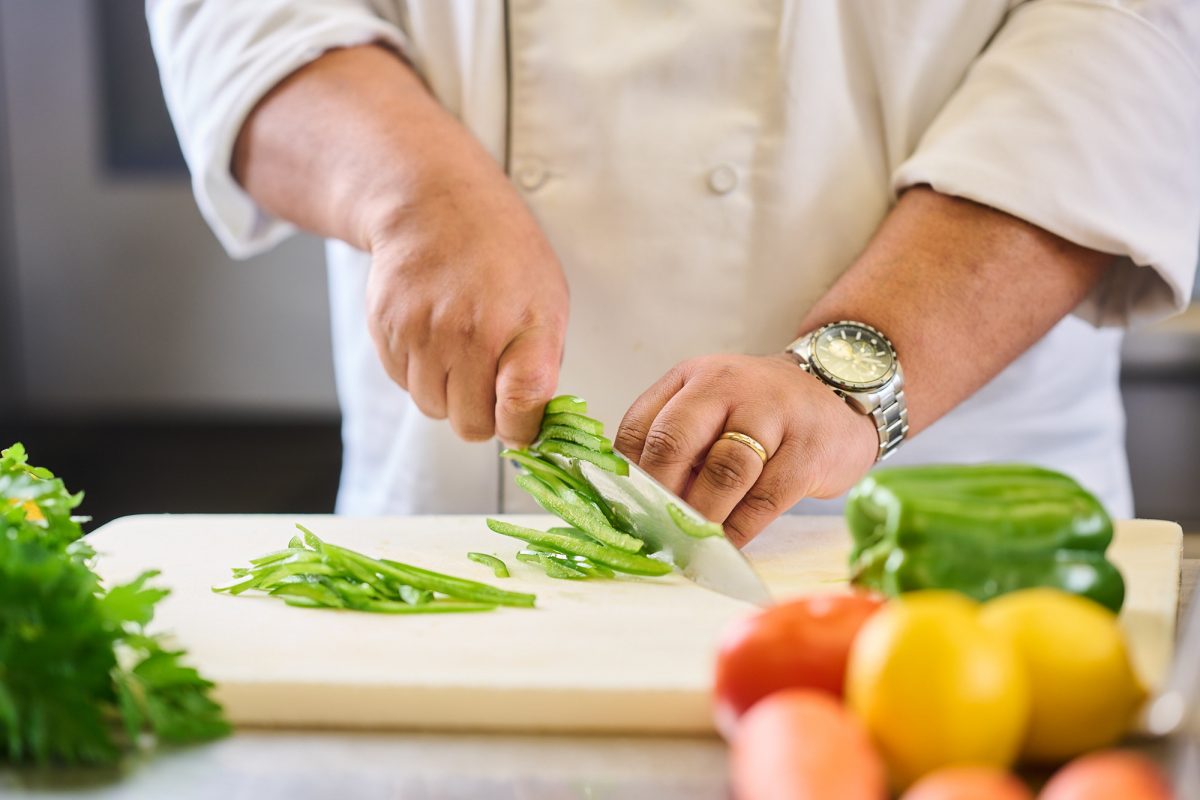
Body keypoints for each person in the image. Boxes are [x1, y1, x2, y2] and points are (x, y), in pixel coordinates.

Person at [148, 1, 1199, 544]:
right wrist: (412, 190)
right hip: (467, 537)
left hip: (944, 519)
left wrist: (857, 373)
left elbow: (1121, 36)